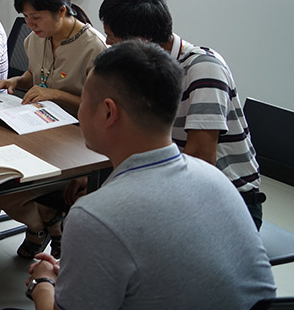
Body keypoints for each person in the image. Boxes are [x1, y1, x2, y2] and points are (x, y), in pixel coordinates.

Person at [23, 40, 275, 310]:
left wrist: (43, 282)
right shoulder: (219, 181)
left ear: (108, 112)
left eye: (84, 100)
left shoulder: (94, 215)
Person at [99, 0, 264, 227]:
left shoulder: (203, 69)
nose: (107, 44)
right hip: (178, 185)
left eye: (113, 40)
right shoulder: (145, 70)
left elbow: (201, 158)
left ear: (141, 41)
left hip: (228, 200)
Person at [0, 0, 106, 258]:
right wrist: (15, 81)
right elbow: (35, 75)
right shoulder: (36, 38)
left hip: (76, 141)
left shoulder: (94, 48)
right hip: (37, 129)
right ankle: (44, 226)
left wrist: (55, 95)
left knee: (12, 183)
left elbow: (100, 108)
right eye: (25, 17)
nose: (30, 24)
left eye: (35, 17)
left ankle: (47, 225)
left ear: (61, 11)